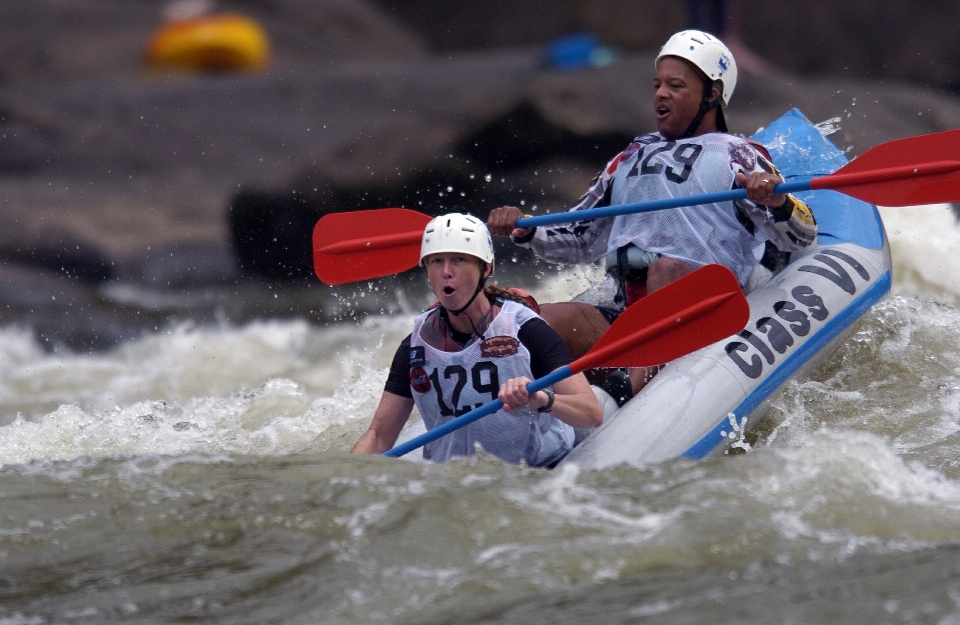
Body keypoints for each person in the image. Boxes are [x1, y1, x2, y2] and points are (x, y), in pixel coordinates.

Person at [487, 29, 817, 402]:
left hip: (702, 312)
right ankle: (528, 407)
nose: (661, 93)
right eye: (658, 84)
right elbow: (578, 238)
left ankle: (629, 387)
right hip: (626, 315)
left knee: (666, 269)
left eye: (676, 86)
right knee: (531, 322)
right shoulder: (631, 156)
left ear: (712, 94)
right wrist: (525, 229)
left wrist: (777, 202)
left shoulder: (739, 156)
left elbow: (802, 235)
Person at [351, 213, 603, 467]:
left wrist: (540, 399)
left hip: (541, 466)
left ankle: (618, 388)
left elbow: (591, 413)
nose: (446, 272)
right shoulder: (414, 347)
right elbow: (379, 436)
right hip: (463, 479)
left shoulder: (525, 329)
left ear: (486, 268)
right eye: (436, 261)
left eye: (459, 260)